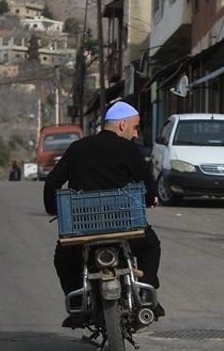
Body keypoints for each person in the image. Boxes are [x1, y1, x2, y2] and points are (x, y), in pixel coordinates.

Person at [44, 101, 163, 328]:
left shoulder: (77, 148)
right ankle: (146, 295)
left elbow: (53, 181)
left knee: (64, 257)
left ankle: (77, 301)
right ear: (122, 125)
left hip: (82, 227)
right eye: (135, 127)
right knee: (150, 246)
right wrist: (151, 199)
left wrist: (52, 207)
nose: (136, 134)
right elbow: (145, 182)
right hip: (124, 226)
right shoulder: (128, 149)